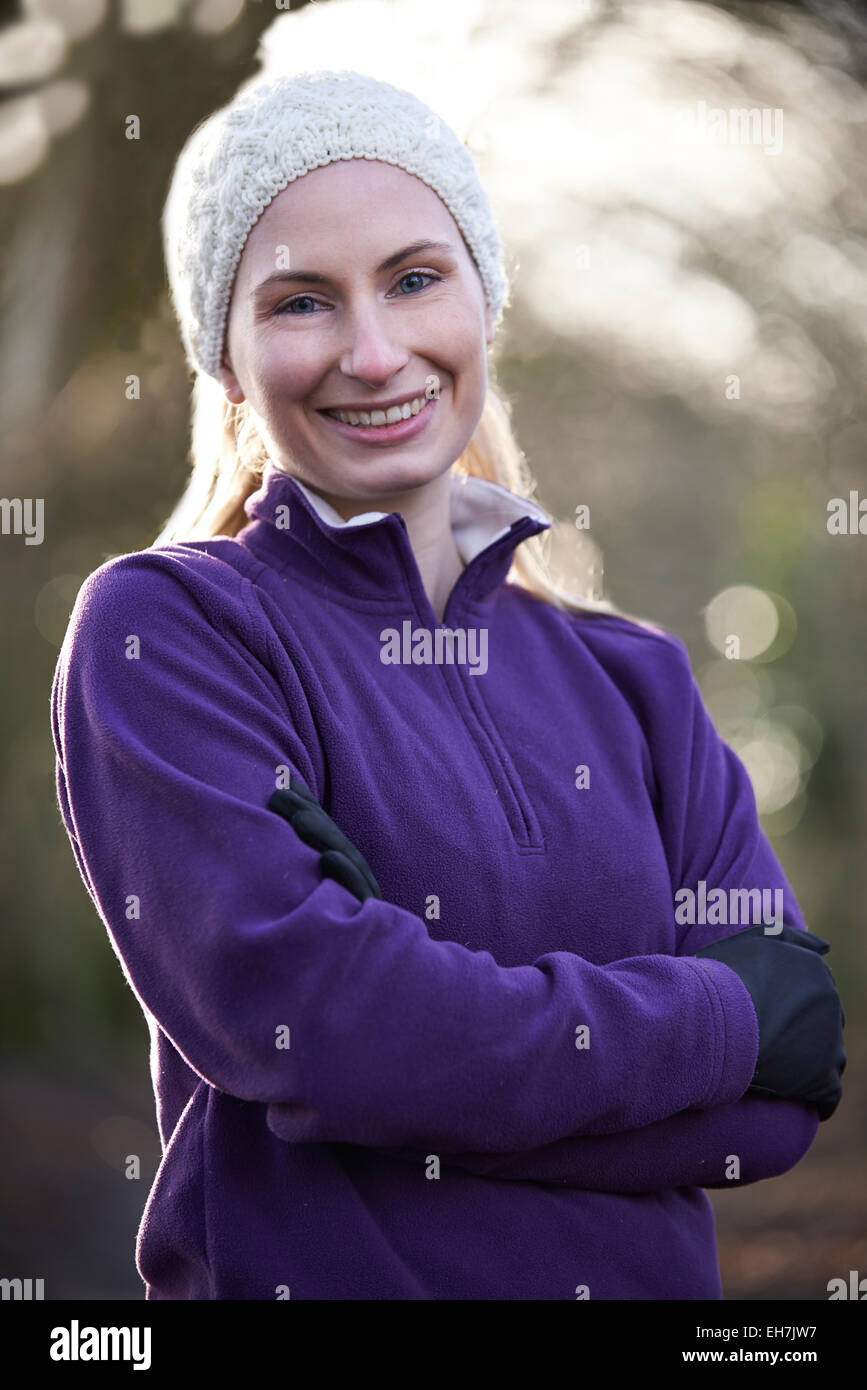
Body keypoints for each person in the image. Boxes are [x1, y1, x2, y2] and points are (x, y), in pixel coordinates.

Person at [50, 67, 845, 1301]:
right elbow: (326, 1031)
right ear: (227, 358)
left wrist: (434, 1060)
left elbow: (783, 1112)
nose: (375, 353)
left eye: (416, 278)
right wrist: (721, 1025)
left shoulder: (635, 679)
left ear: (485, 298)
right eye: (303, 301)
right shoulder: (172, 631)